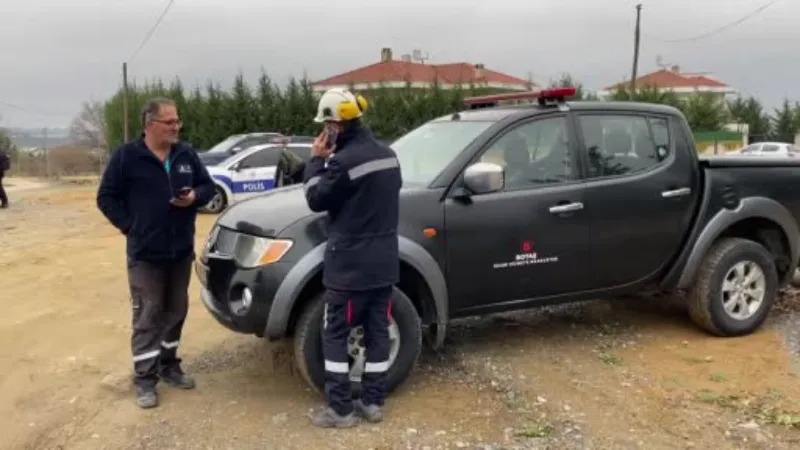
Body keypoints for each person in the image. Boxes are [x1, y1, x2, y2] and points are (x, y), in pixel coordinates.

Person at [96, 97, 215, 409]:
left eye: (178, 121)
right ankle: (145, 380)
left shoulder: (186, 154)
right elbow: (106, 197)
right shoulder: (127, 157)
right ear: (149, 125)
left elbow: (209, 187)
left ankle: (169, 366)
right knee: (148, 315)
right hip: (145, 254)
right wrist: (130, 227)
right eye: (170, 122)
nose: (176, 127)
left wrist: (195, 198)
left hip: (179, 251)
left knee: (176, 312)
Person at [303, 88, 403, 428]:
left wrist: (316, 160)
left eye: (326, 124)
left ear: (336, 125)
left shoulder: (343, 163)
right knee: (377, 333)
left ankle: (340, 410)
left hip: (349, 270)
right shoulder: (390, 155)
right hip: (384, 264)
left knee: (334, 334)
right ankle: (373, 402)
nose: (323, 130)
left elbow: (315, 198)